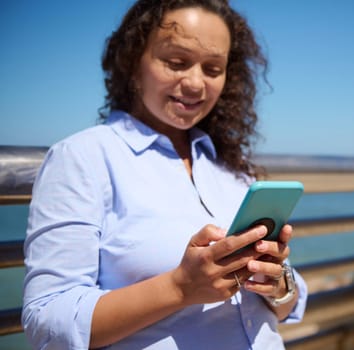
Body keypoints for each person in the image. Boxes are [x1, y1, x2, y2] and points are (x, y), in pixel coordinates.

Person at [22, 0, 307, 349]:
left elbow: (286, 307)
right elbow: (46, 320)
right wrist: (179, 287)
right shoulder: (84, 157)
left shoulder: (228, 167)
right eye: (176, 62)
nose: (195, 83)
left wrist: (277, 282)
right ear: (132, 61)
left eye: (213, 69)